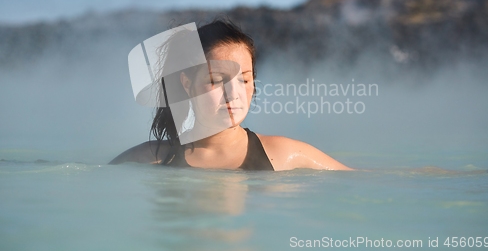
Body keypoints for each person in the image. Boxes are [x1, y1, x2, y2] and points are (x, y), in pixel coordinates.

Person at [109, 18, 353, 171]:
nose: (234, 94)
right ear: (187, 84)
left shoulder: (285, 155)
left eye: (244, 79)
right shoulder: (150, 159)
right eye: (216, 80)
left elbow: (365, 185)